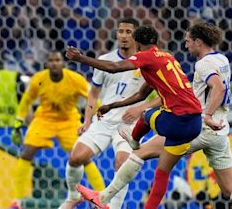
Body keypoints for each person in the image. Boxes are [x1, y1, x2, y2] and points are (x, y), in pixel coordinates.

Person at [77, 21, 232, 209]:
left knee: (139, 152)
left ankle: (104, 197)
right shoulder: (221, 59)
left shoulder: (203, 64)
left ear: (198, 42)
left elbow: (217, 87)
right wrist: (113, 105)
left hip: (199, 125)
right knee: (229, 189)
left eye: (188, 41)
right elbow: (148, 92)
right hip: (220, 130)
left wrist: (208, 115)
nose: (186, 45)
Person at [65, 25, 203, 209]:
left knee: (146, 116)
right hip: (195, 122)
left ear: (137, 44)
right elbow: (141, 95)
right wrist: (112, 105)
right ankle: (106, 198)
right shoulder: (167, 57)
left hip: (177, 120)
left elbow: (114, 68)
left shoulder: (146, 56)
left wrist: (81, 58)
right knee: (161, 173)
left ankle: (134, 141)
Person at [59, 18, 145, 209]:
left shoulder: (144, 62)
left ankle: (114, 208)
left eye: (128, 32)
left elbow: (159, 96)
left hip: (129, 125)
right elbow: (94, 93)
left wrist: (140, 109)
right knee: (75, 158)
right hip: (104, 120)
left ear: (136, 35)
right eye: (120, 31)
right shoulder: (105, 60)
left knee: (122, 164)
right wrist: (87, 121)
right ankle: (73, 196)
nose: (123, 36)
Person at [9, 51, 105, 208]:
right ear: (47, 64)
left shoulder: (74, 79)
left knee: (83, 157)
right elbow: (26, 100)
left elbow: (93, 97)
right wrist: (18, 121)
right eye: (51, 60)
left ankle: (102, 196)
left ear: (63, 63)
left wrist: (102, 114)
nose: (54, 63)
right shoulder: (39, 79)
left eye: (57, 60)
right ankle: (17, 201)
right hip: (44, 119)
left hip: (69, 121)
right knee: (26, 153)